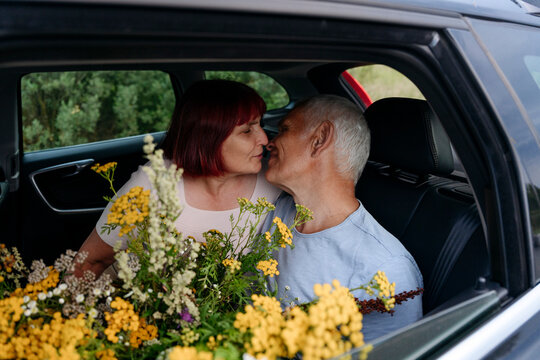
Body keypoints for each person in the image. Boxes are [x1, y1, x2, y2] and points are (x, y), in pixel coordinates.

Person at [76, 80, 281, 277]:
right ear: (208, 139)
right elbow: (90, 262)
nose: (264, 139)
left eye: (260, 124)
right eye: (247, 130)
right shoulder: (154, 182)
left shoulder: (275, 178)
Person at [262, 94, 423, 342]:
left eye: (284, 129)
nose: (269, 142)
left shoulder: (384, 268)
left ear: (320, 139)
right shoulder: (276, 212)